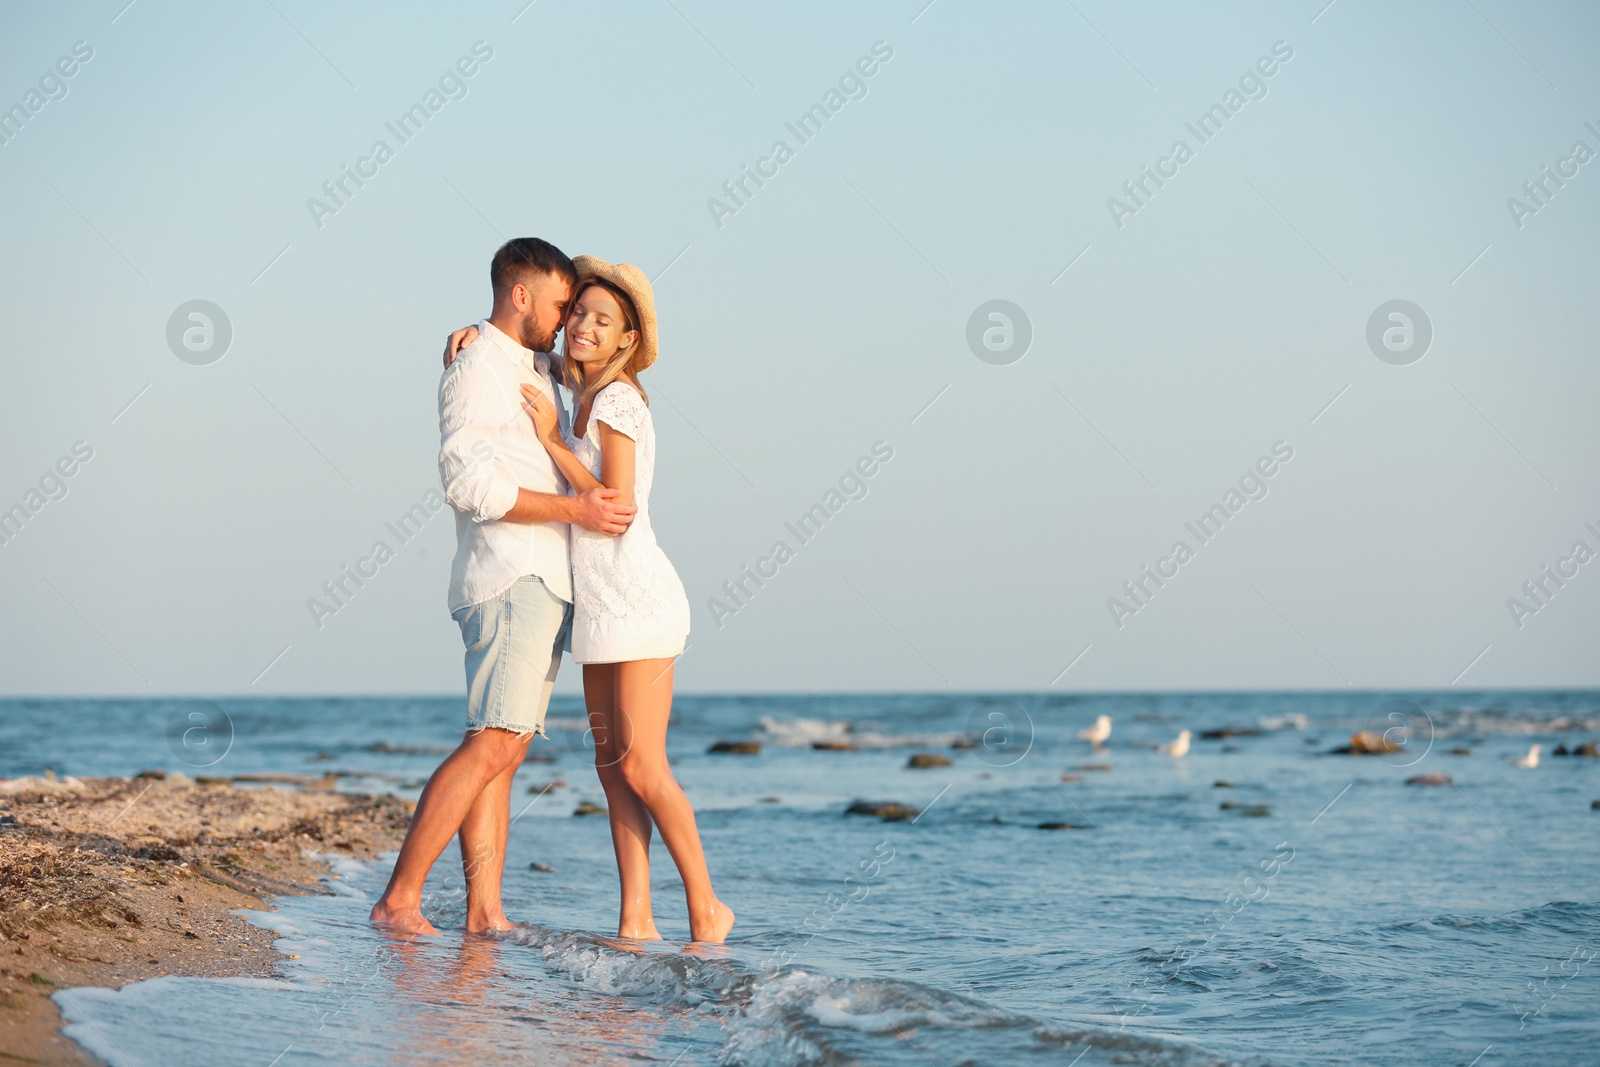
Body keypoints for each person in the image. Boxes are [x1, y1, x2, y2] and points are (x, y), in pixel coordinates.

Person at [444, 256, 734, 944]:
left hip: (637, 597)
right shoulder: (570, 389)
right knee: (611, 769)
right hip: (598, 604)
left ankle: (707, 904)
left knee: (642, 763)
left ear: (626, 339)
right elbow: (510, 348)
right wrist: (469, 335)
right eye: (579, 312)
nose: (583, 326)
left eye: (603, 320)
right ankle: (636, 916)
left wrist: (550, 438)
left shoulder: (620, 400)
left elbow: (616, 505)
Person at [369, 238, 636, 937]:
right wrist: (575, 510)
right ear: (521, 295)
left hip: (540, 577)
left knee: (506, 745)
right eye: (558, 305)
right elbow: (468, 482)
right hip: (511, 570)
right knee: (492, 739)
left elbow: (573, 359)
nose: (565, 320)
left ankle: (484, 911)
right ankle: (400, 899)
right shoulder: (478, 367)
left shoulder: (529, 361)